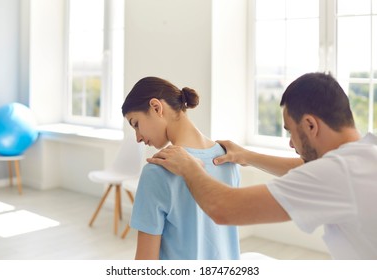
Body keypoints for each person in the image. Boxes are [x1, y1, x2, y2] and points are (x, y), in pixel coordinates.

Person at [148, 72, 377, 260]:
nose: (290, 143)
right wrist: (247, 156)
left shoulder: (339, 173)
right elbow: (309, 171)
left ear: (310, 125)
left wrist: (188, 166)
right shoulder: (365, 154)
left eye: (290, 131)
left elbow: (224, 208)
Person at [121, 76, 241, 260]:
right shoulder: (228, 158)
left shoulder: (157, 170)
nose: (138, 137)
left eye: (136, 124)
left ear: (156, 107)